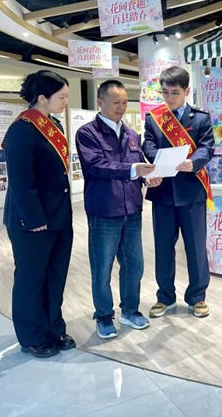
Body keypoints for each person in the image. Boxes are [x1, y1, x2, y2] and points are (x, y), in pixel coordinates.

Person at [76, 80, 162, 339]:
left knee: (134, 265)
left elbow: (138, 165)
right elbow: (96, 166)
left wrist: (148, 177)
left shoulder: (131, 134)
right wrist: (133, 170)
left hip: (132, 210)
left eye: (125, 102)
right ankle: (104, 315)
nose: (121, 107)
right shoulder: (87, 133)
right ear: (100, 102)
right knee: (102, 267)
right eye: (116, 102)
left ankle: (130, 310)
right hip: (104, 211)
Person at [2, 70, 74, 359]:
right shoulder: (22, 130)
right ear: (42, 98)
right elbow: (21, 182)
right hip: (32, 221)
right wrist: (33, 220)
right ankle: (32, 336)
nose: (65, 102)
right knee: (31, 280)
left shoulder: (53, 124)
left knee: (55, 277)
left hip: (58, 216)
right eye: (62, 97)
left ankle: (53, 328)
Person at [142, 66, 215, 318]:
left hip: (191, 192)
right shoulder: (154, 118)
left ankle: (197, 297)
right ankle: (165, 297)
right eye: (165, 92)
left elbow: (207, 147)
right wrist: (159, 159)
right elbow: (147, 144)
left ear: (186, 91)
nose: (170, 97)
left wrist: (193, 162)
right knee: (163, 248)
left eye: (175, 93)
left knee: (195, 248)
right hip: (163, 192)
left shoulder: (201, 118)